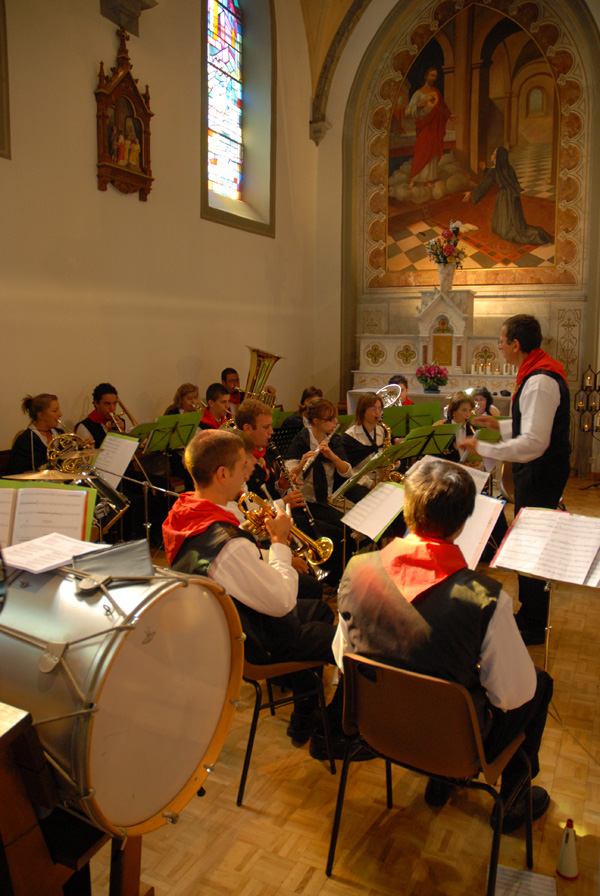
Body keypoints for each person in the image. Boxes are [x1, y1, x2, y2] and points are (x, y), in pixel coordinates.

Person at [334, 456, 553, 831]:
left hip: (377, 729)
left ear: (405, 511)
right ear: (465, 521)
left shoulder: (357, 570)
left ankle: (441, 782)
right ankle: (511, 799)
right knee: (539, 683)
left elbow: (342, 658)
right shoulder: (484, 598)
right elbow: (513, 695)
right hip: (452, 746)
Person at [161, 429, 336, 745]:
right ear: (223, 473)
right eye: (244, 465)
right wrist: (280, 541)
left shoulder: (183, 511)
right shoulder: (229, 547)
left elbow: (226, 558)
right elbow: (282, 601)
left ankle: (305, 707)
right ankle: (333, 734)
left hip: (227, 623)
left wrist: (247, 534)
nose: (251, 470)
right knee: (344, 643)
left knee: (320, 608)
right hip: (252, 640)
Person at [460, 314, 571, 644]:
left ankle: (534, 621)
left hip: (541, 472)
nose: (499, 347)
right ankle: (531, 612)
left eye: (501, 341)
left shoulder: (539, 380)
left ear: (516, 345)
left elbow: (535, 442)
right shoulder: (537, 371)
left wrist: (481, 445)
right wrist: (500, 426)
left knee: (531, 544)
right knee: (527, 541)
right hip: (541, 471)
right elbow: (533, 425)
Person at [286, 398, 353, 586]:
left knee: (348, 530)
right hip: (304, 502)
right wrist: (301, 464)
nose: (335, 423)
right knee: (335, 533)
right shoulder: (302, 439)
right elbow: (288, 476)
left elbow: (347, 471)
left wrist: (332, 455)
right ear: (316, 421)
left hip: (324, 500)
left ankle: (341, 577)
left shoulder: (334, 440)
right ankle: (331, 578)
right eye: (330, 420)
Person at [463, 147, 552, 245]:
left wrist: (471, 194)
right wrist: (486, 169)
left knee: (507, 231)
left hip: (505, 198)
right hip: (514, 196)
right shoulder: (508, 168)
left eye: (493, 154)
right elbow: (499, 176)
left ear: (497, 156)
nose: (491, 155)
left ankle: (536, 235)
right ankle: (531, 232)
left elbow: (484, 185)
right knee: (510, 223)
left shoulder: (494, 171)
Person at [405, 67, 454, 189]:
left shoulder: (436, 92)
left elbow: (442, 107)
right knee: (421, 151)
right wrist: (418, 106)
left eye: (435, 76)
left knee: (432, 153)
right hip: (424, 126)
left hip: (434, 128)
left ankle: (427, 179)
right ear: (426, 76)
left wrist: (449, 115)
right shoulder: (418, 94)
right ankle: (414, 177)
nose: (433, 78)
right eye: (431, 75)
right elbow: (407, 111)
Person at [342, 391, 386, 500]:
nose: (377, 413)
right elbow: (349, 471)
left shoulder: (383, 431)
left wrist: (394, 462)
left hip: (380, 480)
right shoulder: (350, 437)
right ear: (363, 411)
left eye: (380, 408)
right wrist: (369, 483)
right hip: (359, 482)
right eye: (373, 409)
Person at [7, 393, 64, 474]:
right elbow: (14, 472)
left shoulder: (60, 434)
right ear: (41, 415)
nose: (60, 414)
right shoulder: (26, 440)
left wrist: (83, 449)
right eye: (55, 411)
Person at [75, 383, 123, 448]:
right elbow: (87, 456)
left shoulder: (120, 422)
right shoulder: (85, 426)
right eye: (107, 404)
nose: (112, 409)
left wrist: (122, 433)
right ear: (96, 403)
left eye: (114, 403)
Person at [433, 391, 475, 463]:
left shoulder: (474, 430)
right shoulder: (442, 431)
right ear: (453, 411)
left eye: (470, 410)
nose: (468, 415)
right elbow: (434, 458)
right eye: (464, 410)